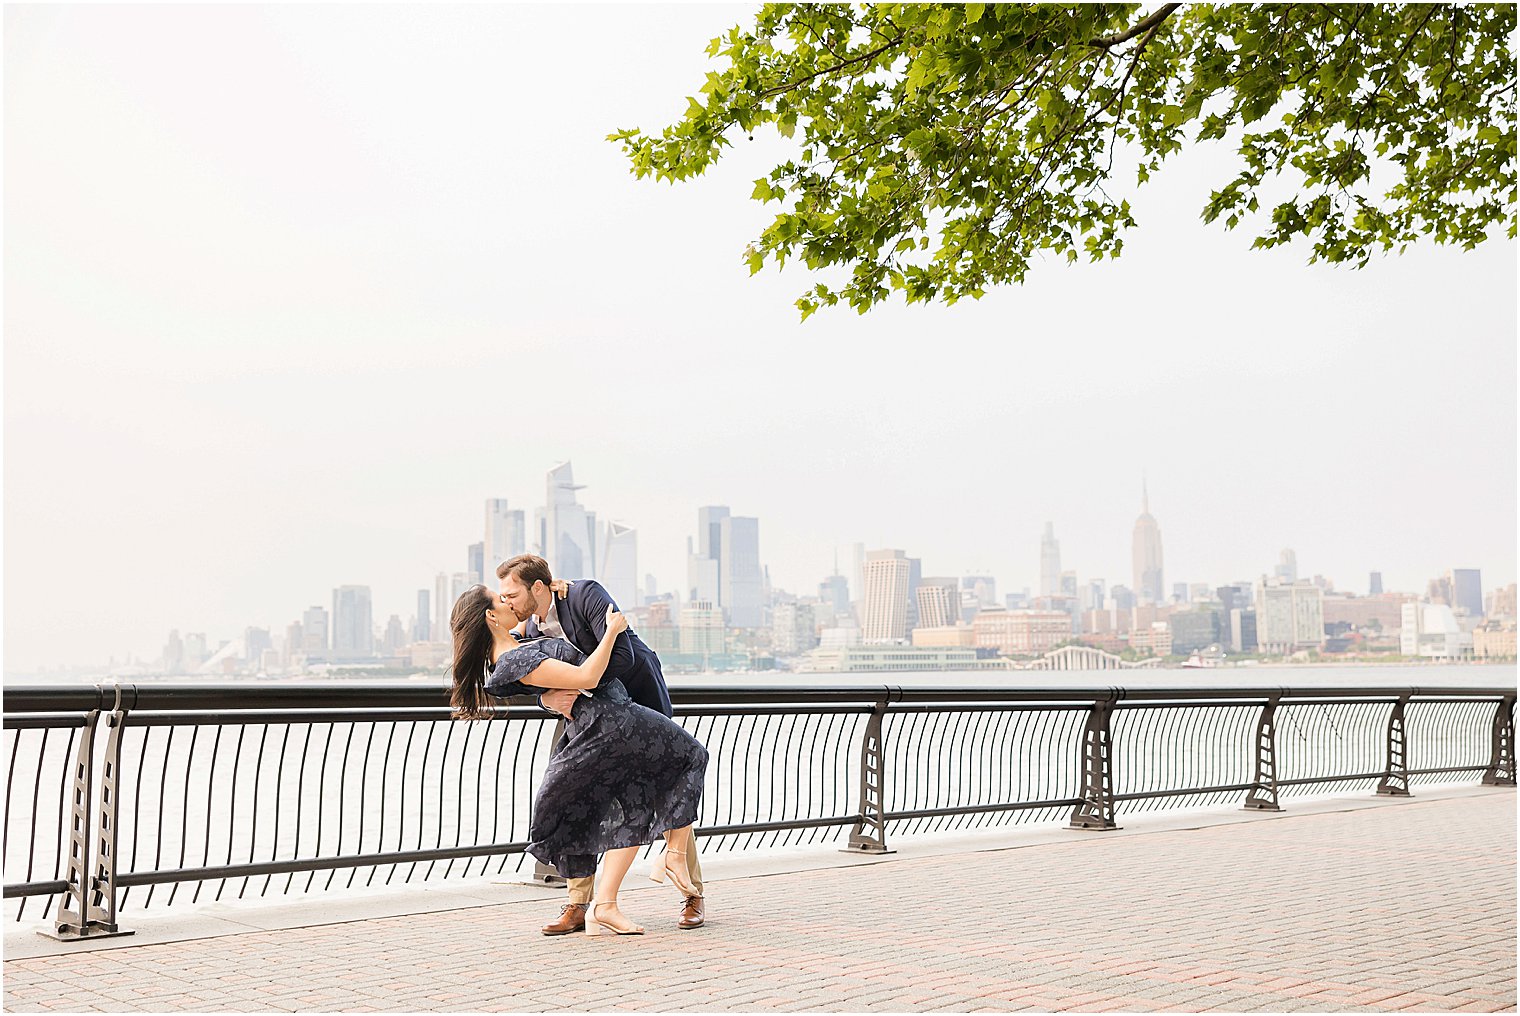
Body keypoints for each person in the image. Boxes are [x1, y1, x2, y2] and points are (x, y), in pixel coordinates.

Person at [450, 584, 708, 936]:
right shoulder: (518, 648)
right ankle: (597, 902)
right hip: (606, 720)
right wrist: (613, 631)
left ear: (536, 587)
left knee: (642, 797)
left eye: (511, 593)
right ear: (491, 616)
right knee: (667, 773)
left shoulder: (571, 603)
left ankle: (660, 895)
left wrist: (552, 694)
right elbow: (577, 678)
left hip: (623, 706)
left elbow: (589, 669)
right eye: (502, 598)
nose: (508, 600)